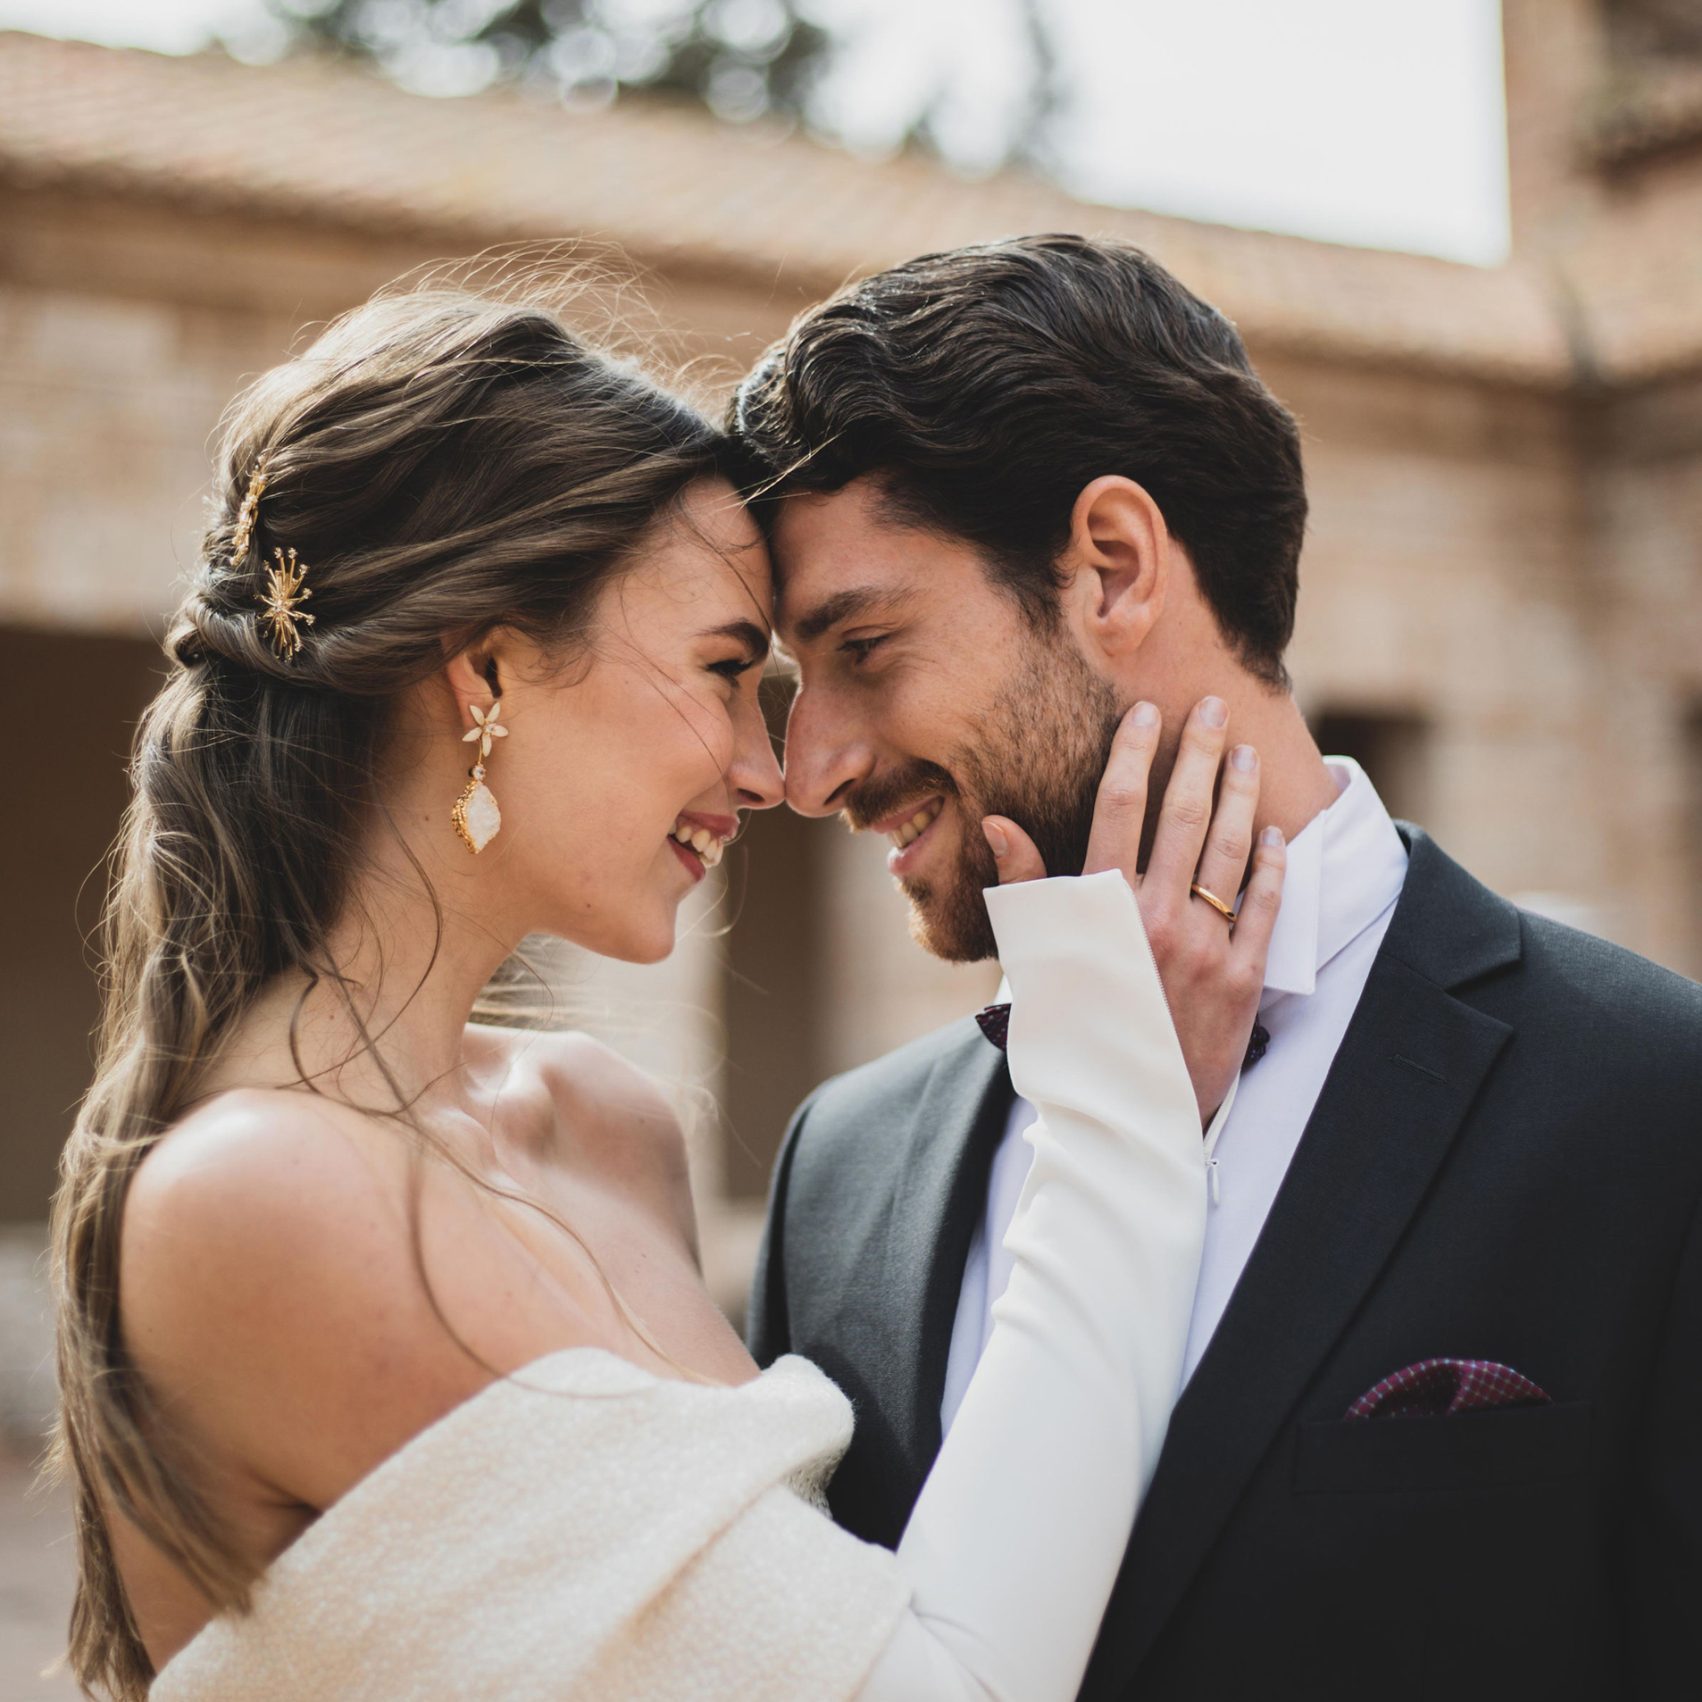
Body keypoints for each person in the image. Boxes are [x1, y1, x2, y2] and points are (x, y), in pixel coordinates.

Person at [48, 276, 1285, 1701]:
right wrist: (1125, 1120)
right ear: (487, 668)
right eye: (723, 670)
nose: (772, 772)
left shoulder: (604, 1127)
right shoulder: (263, 1197)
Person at [733, 231, 1702, 1701]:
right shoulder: (840, 1172)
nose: (809, 770)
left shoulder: (1655, 1108)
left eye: (861, 647)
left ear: (1111, 567)